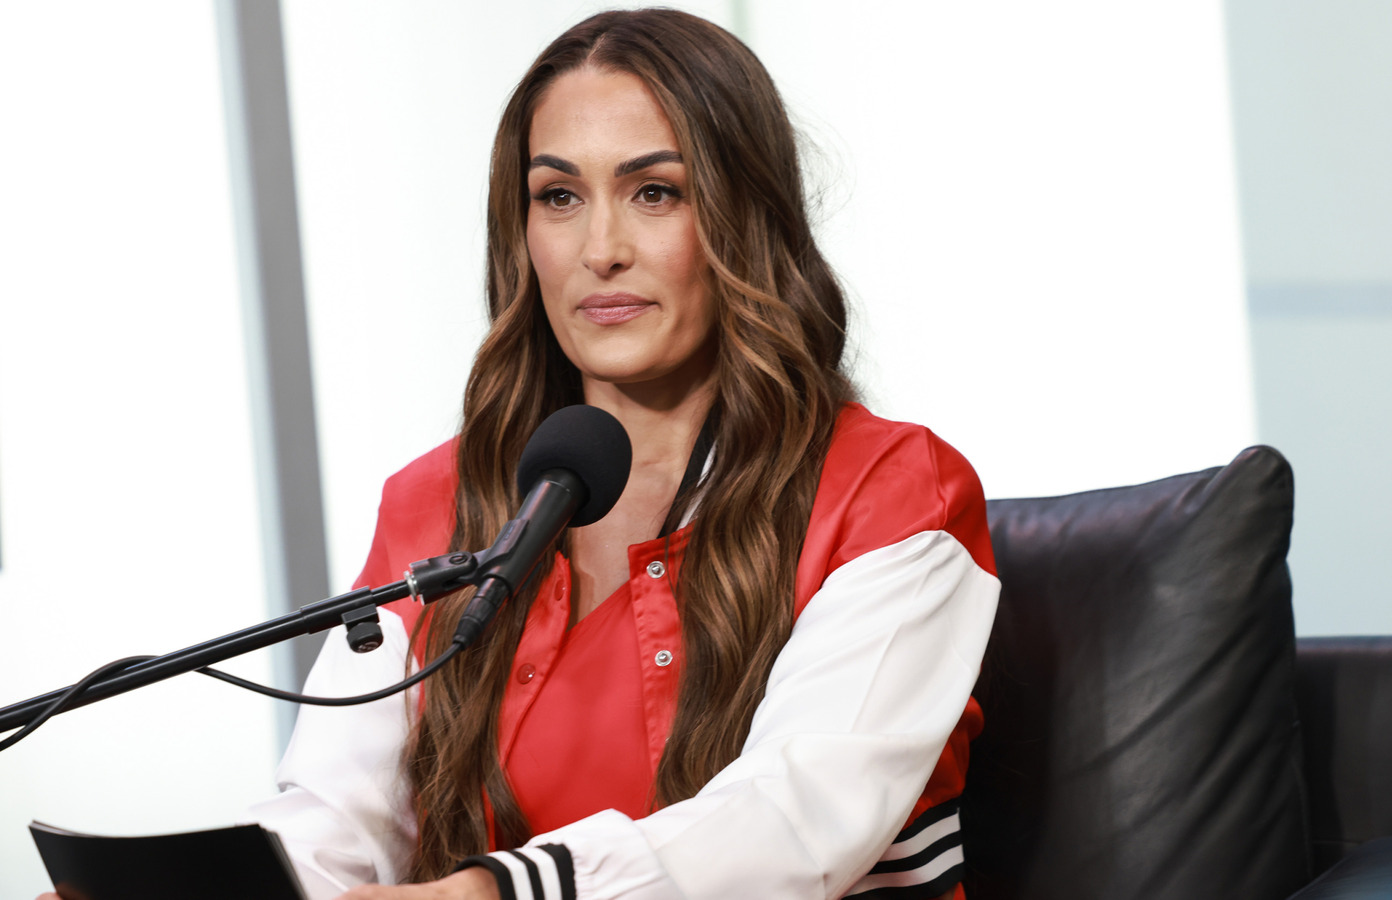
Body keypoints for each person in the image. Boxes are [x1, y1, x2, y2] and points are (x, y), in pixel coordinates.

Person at [51, 9, 997, 900]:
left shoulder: (891, 492)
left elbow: (793, 824)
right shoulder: (434, 500)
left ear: (744, 218)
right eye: (559, 197)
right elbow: (336, 817)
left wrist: (493, 889)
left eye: (655, 192)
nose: (600, 248)